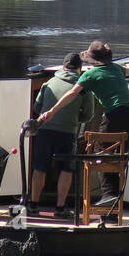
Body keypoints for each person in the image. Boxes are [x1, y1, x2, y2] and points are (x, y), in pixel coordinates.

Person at [37, 40, 129, 191]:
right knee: (119, 160)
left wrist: (52, 111)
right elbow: (128, 72)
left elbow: (72, 93)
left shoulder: (90, 74)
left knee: (102, 157)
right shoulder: (117, 68)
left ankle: (109, 198)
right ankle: (115, 200)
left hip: (115, 115)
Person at [30, 53, 98, 217]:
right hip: (68, 132)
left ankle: (33, 205)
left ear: (63, 66)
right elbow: (88, 115)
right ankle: (60, 208)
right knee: (66, 169)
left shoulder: (49, 83)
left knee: (39, 167)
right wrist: (75, 118)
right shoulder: (83, 88)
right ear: (79, 68)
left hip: (44, 131)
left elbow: (37, 108)